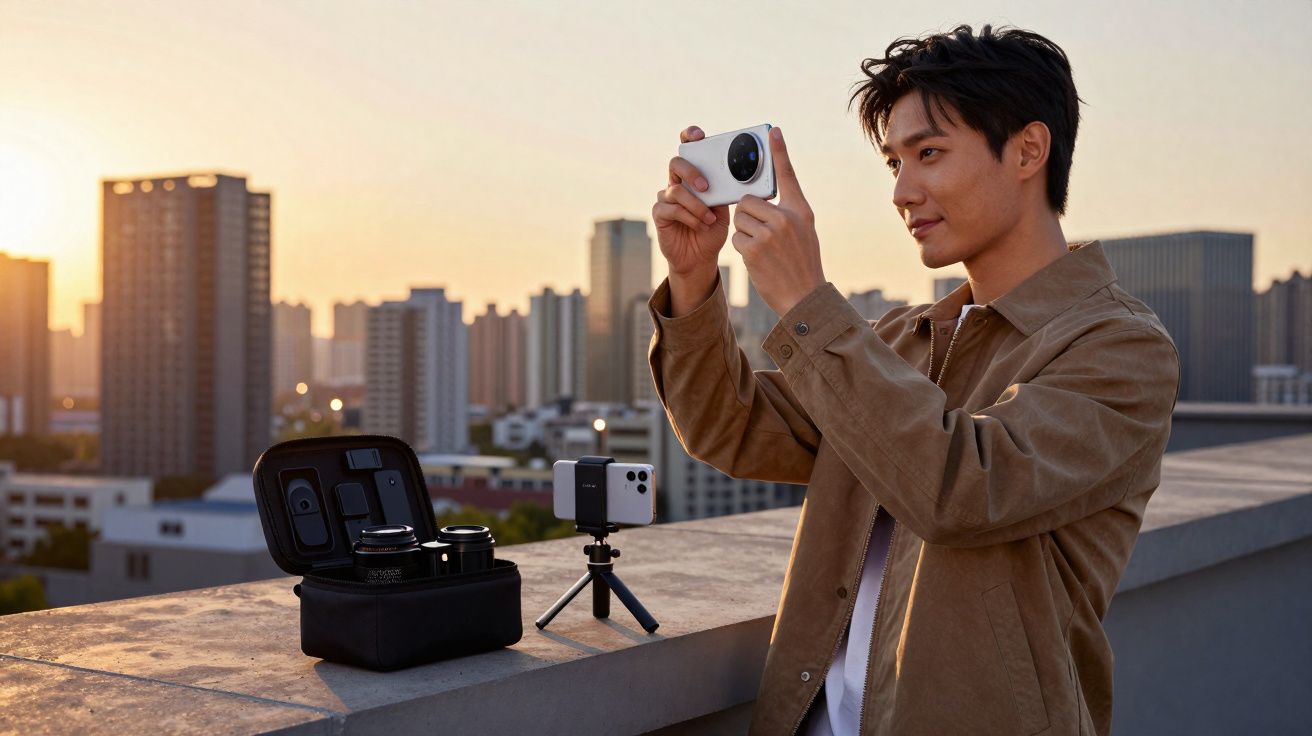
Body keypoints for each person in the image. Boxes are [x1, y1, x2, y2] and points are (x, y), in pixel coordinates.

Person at [647, 23, 1181, 736]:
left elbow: (962, 489)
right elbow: (732, 427)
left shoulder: (1119, 348)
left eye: (928, 154)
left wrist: (807, 304)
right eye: (893, 164)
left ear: (1028, 150)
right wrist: (692, 280)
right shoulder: (899, 339)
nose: (903, 191)